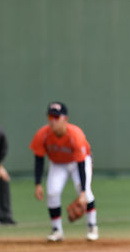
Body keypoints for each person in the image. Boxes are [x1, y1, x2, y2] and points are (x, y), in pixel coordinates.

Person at [30, 102, 98, 242]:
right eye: (50, 116)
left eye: (56, 117)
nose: (52, 120)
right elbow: (39, 160)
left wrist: (83, 192)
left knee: (83, 189)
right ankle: (57, 230)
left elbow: (80, 164)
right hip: (57, 164)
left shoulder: (75, 134)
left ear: (65, 119)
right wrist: (37, 184)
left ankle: (92, 226)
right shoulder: (43, 134)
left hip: (78, 162)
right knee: (52, 192)